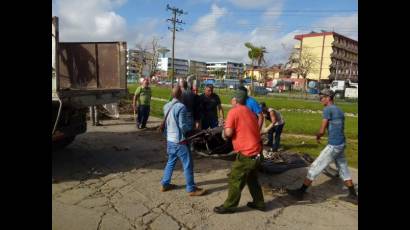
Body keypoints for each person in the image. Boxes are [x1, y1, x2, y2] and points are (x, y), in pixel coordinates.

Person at [287, 89, 358, 205]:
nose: (320, 100)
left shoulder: (327, 109)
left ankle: (300, 192)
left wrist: (318, 135)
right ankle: (353, 195)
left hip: (334, 145)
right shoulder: (339, 109)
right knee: (343, 169)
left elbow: (322, 129)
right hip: (341, 144)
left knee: (314, 167)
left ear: (328, 98)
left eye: (322, 98)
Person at [213, 90, 265, 214]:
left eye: (232, 99)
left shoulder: (234, 111)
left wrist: (224, 133)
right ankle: (259, 203)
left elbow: (229, 132)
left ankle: (230, 206)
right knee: (252, 178)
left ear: (235, 100)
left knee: (235, 178)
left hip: (247, 153)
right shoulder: (250, 111)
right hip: (257, 151)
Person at [160, 86, 206, 196]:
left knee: (171, 162)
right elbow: (183, 126)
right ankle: (191, 189)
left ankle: (165, 184)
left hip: (170, 140)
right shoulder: (181, 107)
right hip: (179, 141)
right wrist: (192, 129)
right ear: (181, 95)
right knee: (188, 164)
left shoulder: (166, 106)